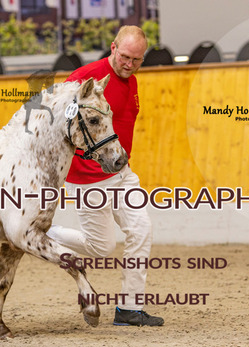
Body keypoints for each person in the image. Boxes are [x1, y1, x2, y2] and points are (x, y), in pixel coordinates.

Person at [47, 25, 164, 326]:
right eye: (125, 57)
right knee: (101, 247)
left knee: (142, 229)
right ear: (113, 48)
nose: (129, 64)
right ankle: (43, 231)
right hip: (89, 178)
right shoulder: (84, 79)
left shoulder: (131, 81)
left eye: (137, 60)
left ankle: (129, 309)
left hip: (122, 172)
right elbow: (57, 120)